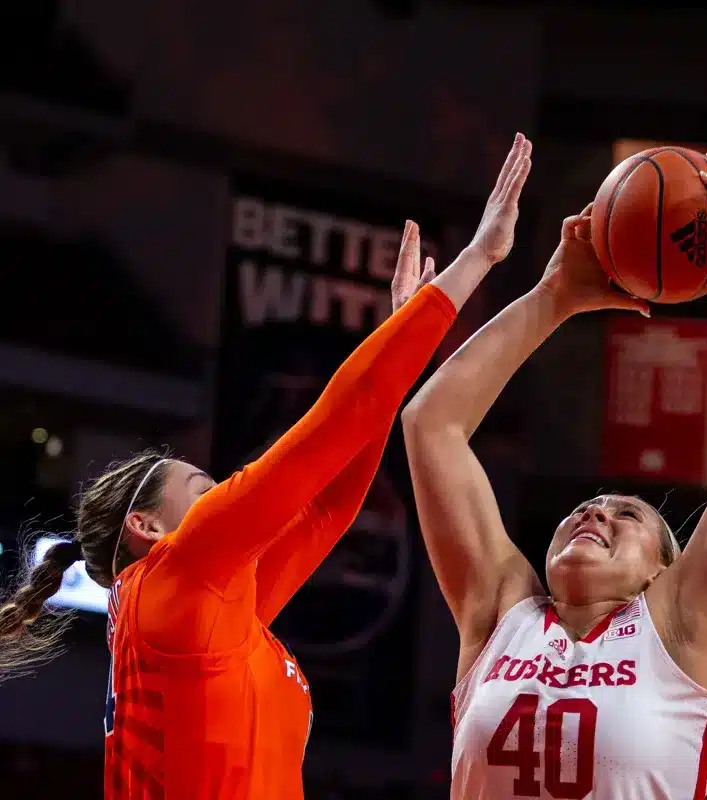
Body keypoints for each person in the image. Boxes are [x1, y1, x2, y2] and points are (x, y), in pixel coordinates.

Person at [0, 133, 533, 799]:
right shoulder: (182, 571)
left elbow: (331, 506)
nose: (225, 491)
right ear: (148, 525)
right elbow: (330, 434)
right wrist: (476, 259)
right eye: (205, 486)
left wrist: (398, 344)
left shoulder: (215, 605)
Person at [403, 157, 707, 798]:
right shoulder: (500, 611)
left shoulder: (680, 623)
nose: (595, 514)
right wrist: (554, 297)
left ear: (661, 569)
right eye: (588, 507)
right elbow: (430, 425)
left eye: (627, 515)